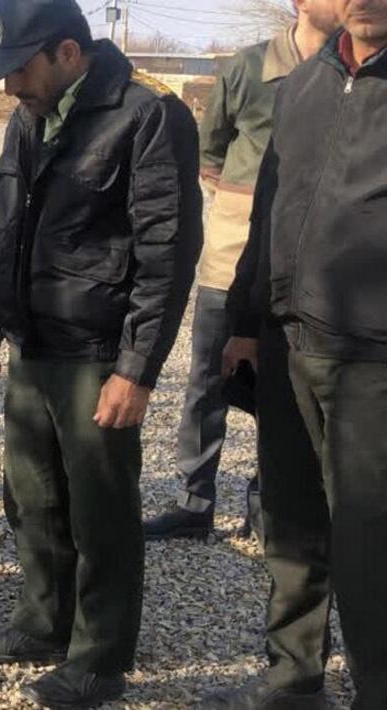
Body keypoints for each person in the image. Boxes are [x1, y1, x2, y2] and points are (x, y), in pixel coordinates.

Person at [0, 0, 202, 705]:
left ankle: (100, 655)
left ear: (67, 53)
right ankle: (43, 621)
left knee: (101, 512)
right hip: (34, 341)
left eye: (19, 70)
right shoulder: (30, 113)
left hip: (99, 349)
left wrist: (137, 369)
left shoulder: (147, 114)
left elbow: (167, 251)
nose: (8, 87)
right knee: (33, 498)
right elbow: (5, 227)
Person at [209, 0, 387, 706]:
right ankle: (293, 677)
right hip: (288, 339)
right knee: (290, 522)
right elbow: (269, 211)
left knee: (370, 541)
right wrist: (246, 323)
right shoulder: (307, 83)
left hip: (371, 356)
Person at [143, 0, 339, 543]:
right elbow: (211, 151)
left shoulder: (356, 74)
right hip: (232, 253)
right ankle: (192, 504)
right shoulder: (247, 68)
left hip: (308, 260)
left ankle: (268, 501)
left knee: (286, 389)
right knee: (208, 378)